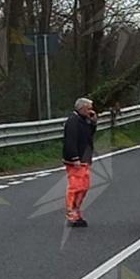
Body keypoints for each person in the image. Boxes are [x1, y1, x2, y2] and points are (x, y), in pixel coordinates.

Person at [62, 97, 98, 227]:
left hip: (85, 159)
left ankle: (76, 211)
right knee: (76, 187)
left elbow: (89, 135)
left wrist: (93, 122)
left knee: (84, 186)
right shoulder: (73, 121)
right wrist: (74, 158)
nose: (91, 111)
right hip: (76, 160)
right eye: (88, 108)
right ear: (82, 108)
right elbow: (70, 141)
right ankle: (71, 215)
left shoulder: (84, 120)